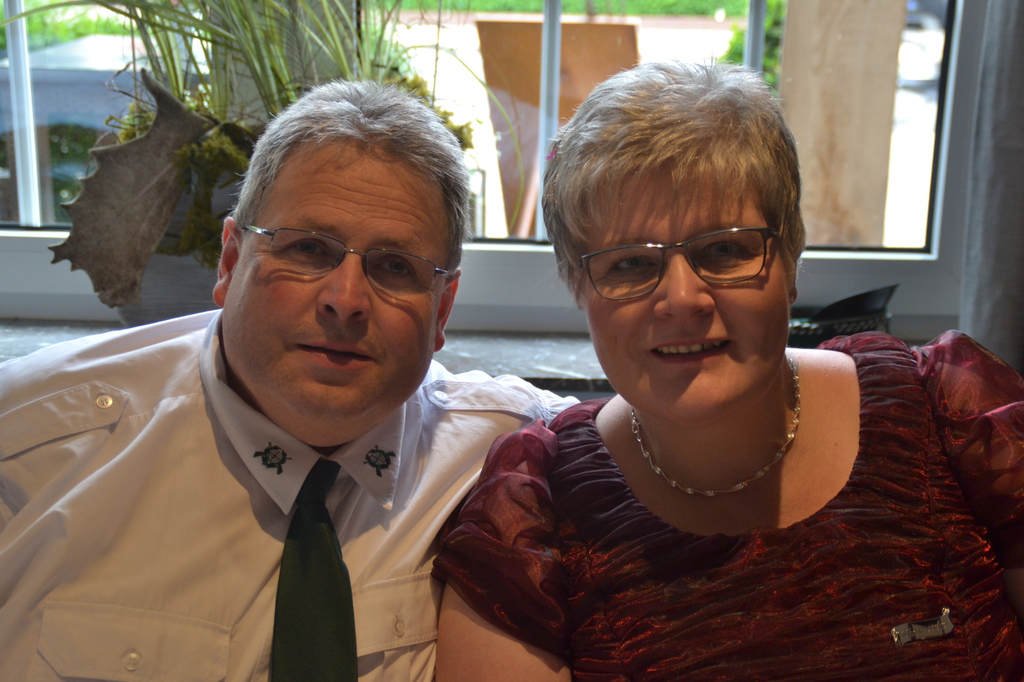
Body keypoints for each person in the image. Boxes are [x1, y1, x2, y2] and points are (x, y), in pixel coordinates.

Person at [432, 61, 1024, 680]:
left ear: (791, 258)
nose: (682, 299)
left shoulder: (951, 417)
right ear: (578, 287)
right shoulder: (535, 515)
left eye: (723, 249)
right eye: (630, 264)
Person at [0, 80, 576, 681]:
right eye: (307, 249)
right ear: (230, 263)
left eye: (394, 267)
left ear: (442, 310)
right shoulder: (30, 450)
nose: (345, 300)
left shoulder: (513, 449)